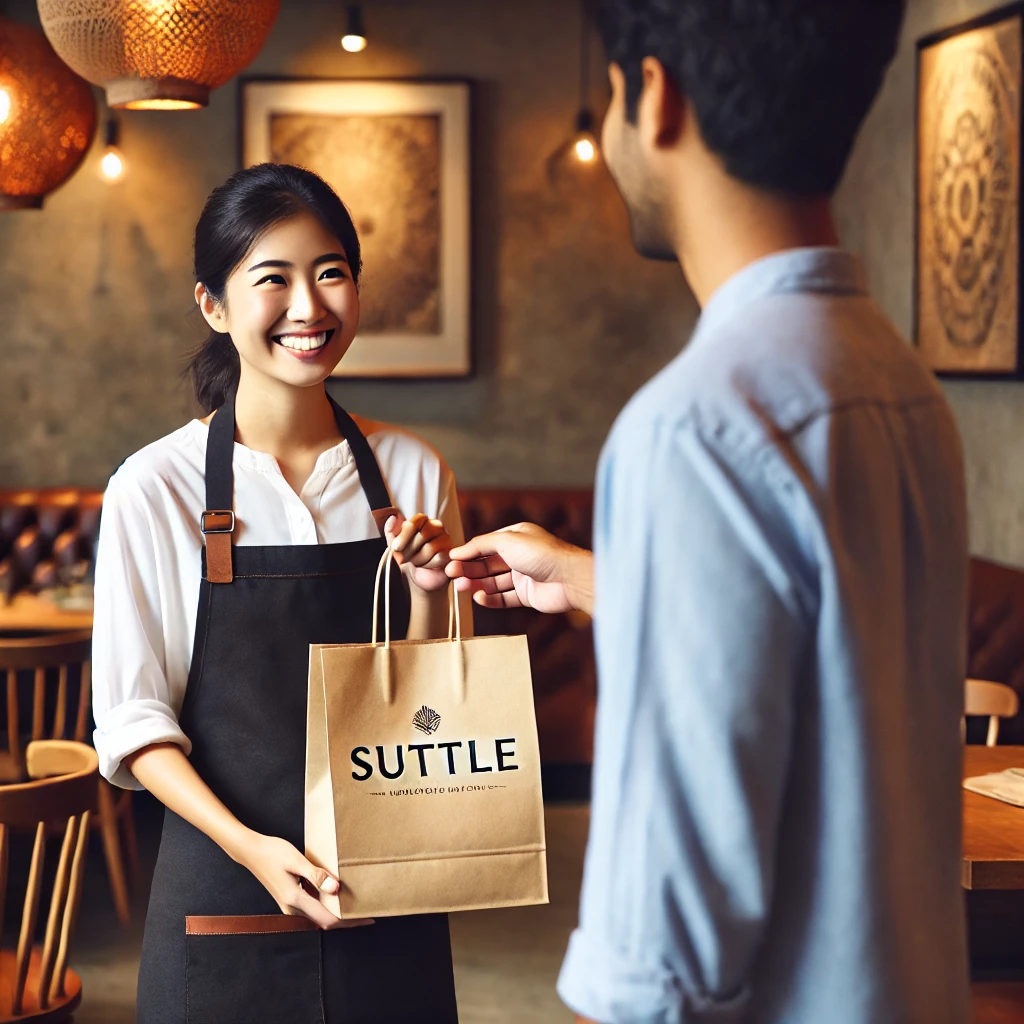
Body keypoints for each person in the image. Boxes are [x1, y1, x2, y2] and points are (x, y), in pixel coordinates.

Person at [447, 1, 970, 1021]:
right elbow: (824, 653)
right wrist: (592, 577)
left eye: (606, 92)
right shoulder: (901, 386)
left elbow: (664, 939)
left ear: (653, 94)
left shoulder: (695, 426)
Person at [92, 163, 464, 1023]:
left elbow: (432, 711)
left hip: (385, 889)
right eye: (274, 279)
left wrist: (431, 596)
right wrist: (255, 851)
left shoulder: (413, 471)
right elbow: (134, 723)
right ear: (214, 307)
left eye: (331, 273)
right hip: (223, 886)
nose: (310, 307)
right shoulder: (156, 487)